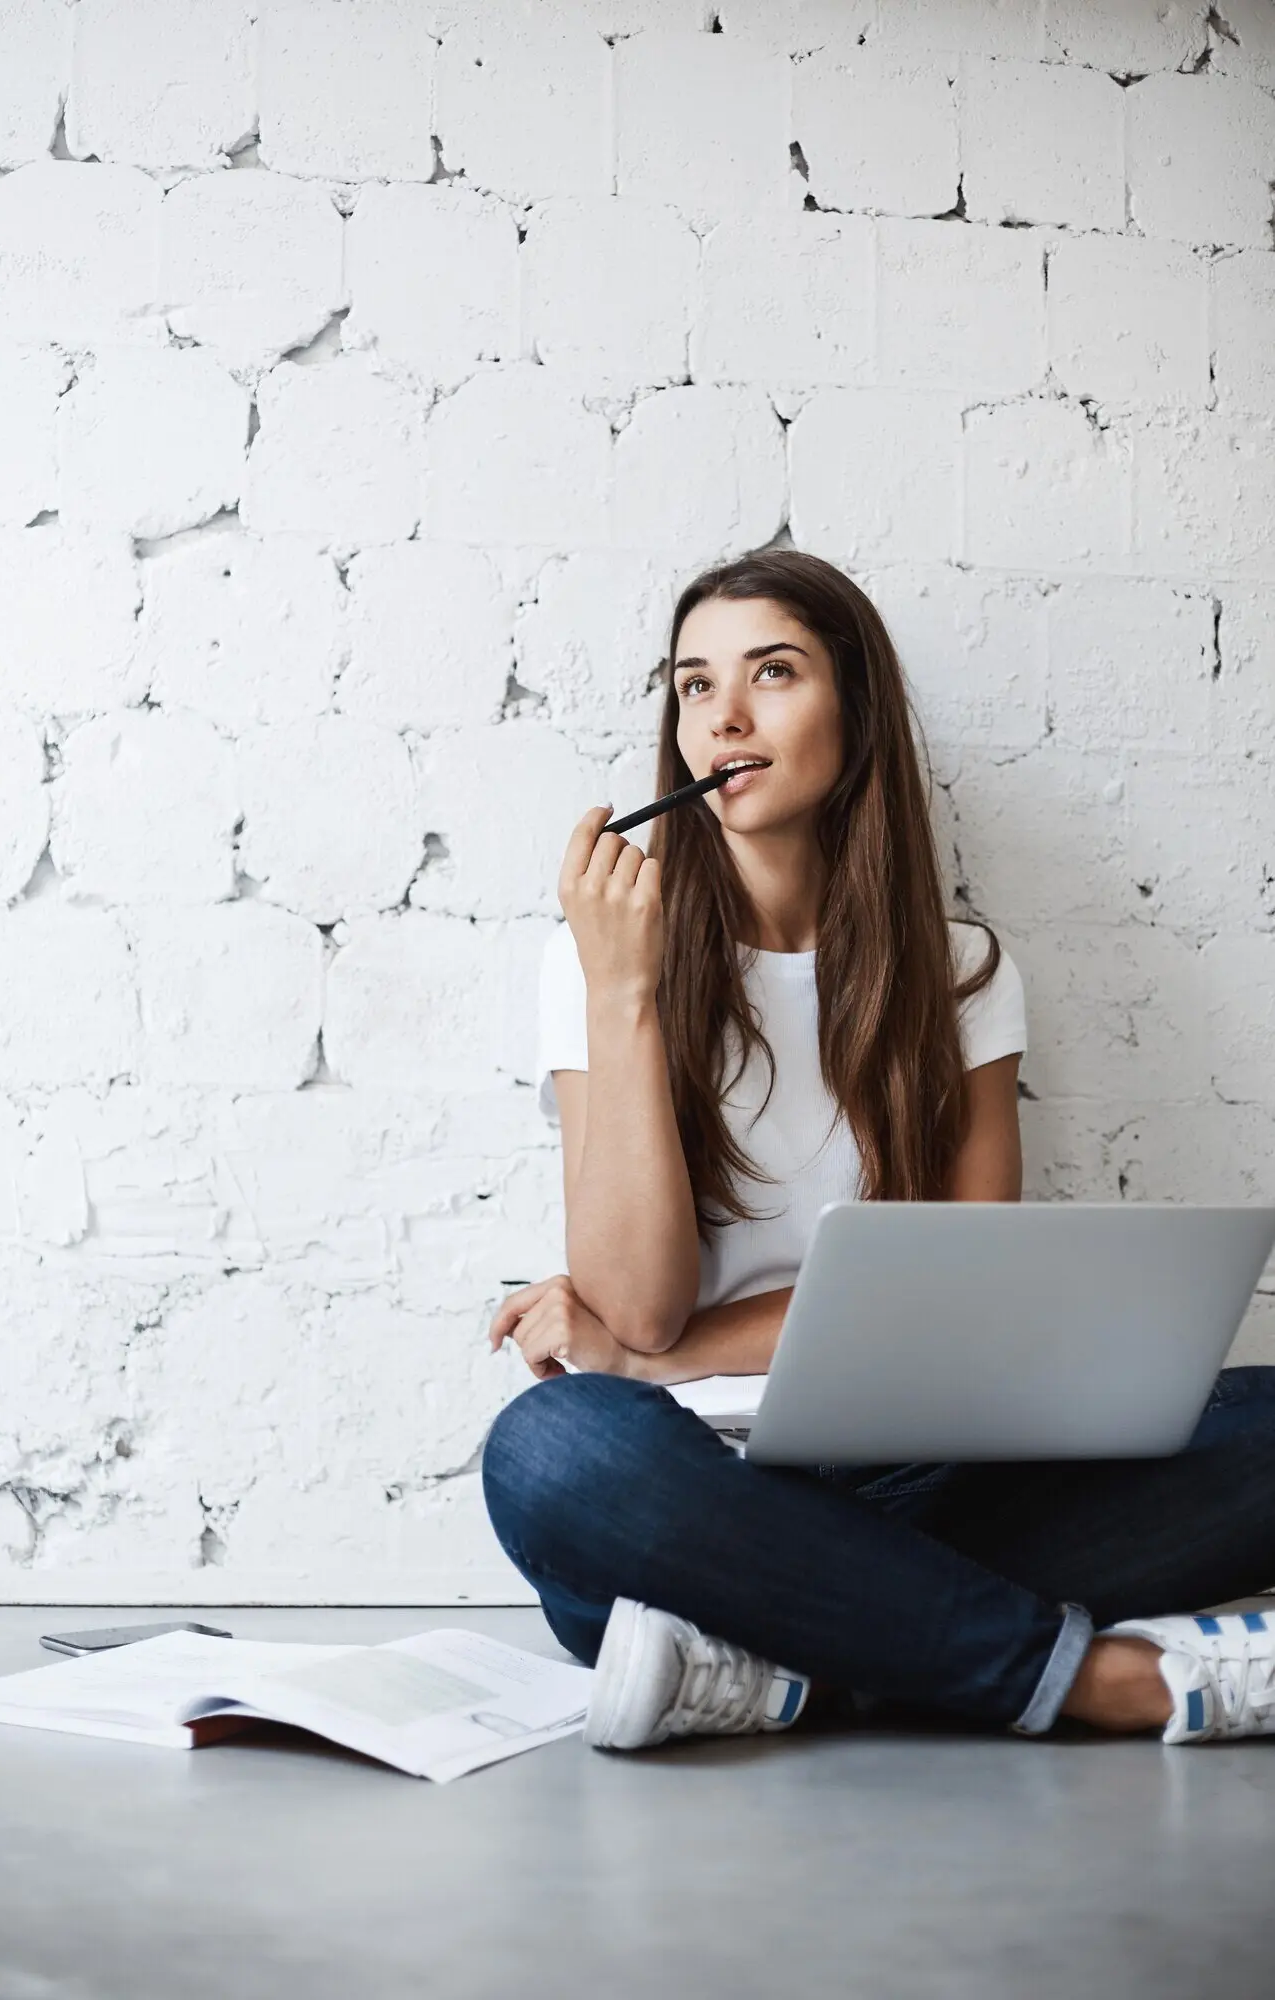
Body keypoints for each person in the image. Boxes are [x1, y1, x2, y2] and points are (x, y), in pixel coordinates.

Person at [482, 549, 1275, 1754]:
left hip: (932, 1483)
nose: (722, 716)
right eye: (693, 685)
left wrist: (662, 1356)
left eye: (772, 672)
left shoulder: (964, 974)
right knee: (552, 1452)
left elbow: (959, 1299)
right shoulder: (595, 966)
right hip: (696, 1495)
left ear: (856, 709)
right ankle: (1093, 1681)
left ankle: (784, 1663)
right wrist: (626, 993)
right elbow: (635, 1304)